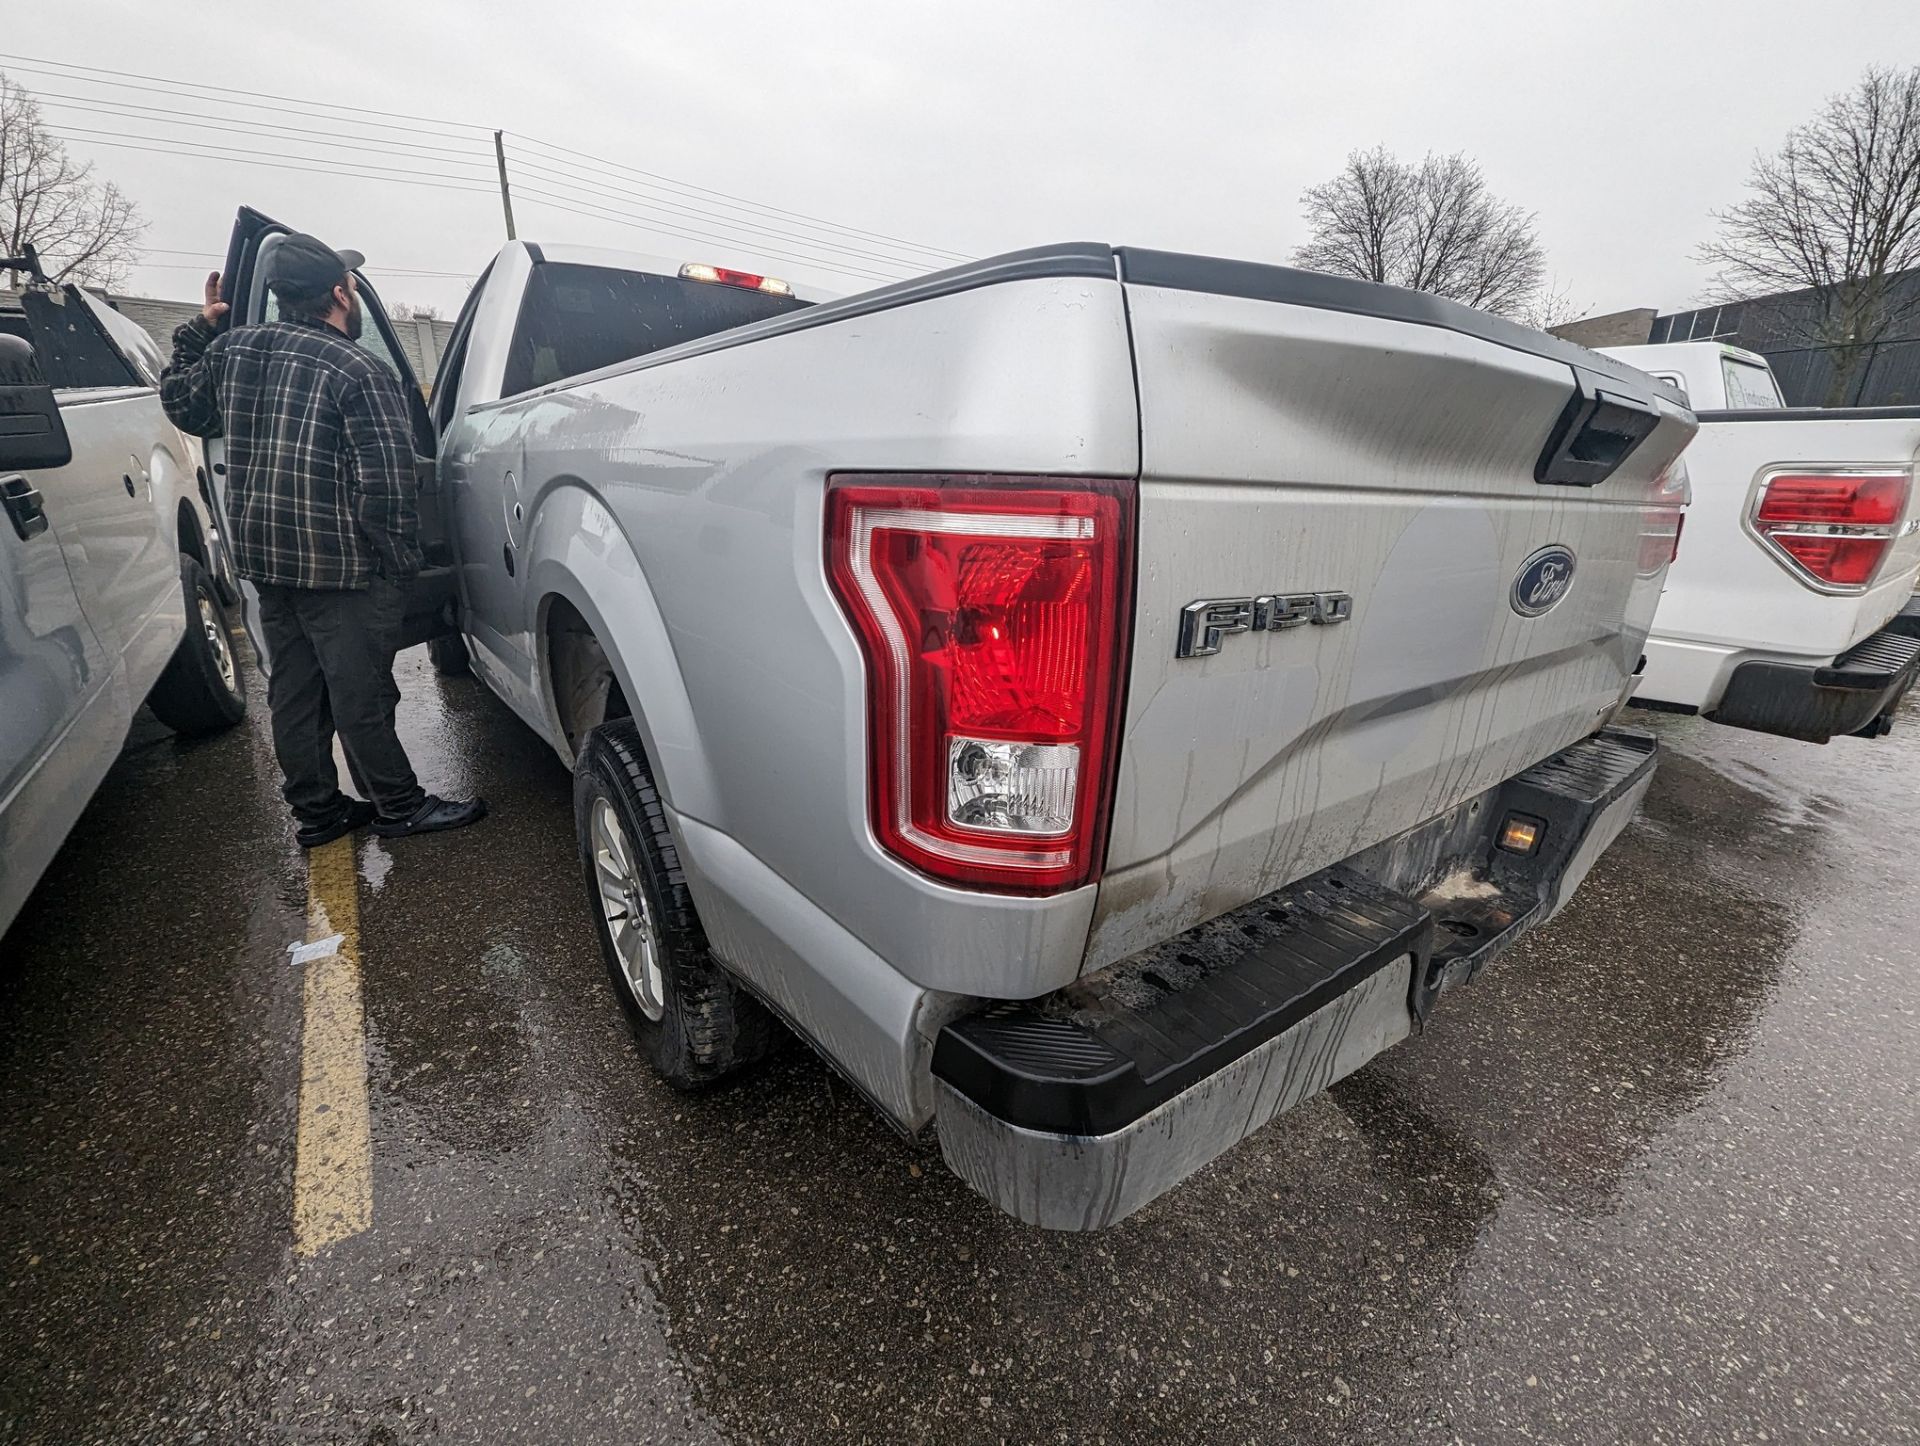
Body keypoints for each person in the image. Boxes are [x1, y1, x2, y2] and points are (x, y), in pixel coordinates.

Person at [160, 234, 485, 847]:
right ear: (339, 293)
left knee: (296, 690)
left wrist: (200, 329)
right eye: (352, 284)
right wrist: (397, 565)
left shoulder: (233, 350)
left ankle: (318, 813)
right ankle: (398, 805)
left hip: (265, 559)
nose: (355, 291)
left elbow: (182, 403)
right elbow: (387, 483)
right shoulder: (361, 369)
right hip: (340, 567)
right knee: (360, 689)